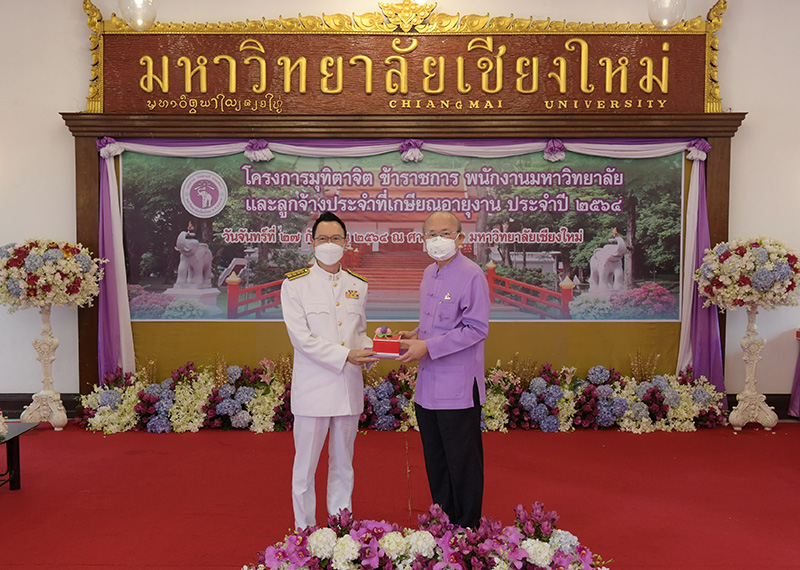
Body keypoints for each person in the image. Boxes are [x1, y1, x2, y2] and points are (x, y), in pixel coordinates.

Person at [280, 211, 377, 529]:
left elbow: (358, 333)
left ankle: (341, 530)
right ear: (312, 242)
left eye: (336, 238)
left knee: (343, 466)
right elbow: (302, 339)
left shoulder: (357, 285)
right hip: (313, 391)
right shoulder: (295, 285)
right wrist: (347, 354)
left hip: (347, 390)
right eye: (323, 238)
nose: (330, 244)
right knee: (305, 469)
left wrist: (377, 346)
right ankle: (304, 533)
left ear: (346, 242)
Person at [396, 211, 490, 528]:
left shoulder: (472, 274)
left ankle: (467, 528)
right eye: (431, 234)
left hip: (457, 388)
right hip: (428, 386)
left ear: (460, 238)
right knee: (436, 458)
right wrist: (416, 335)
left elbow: (477, 328)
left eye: (446, 233)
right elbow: (436, 323)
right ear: (423, 239)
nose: (438, 240)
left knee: (462, 461)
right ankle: (444, 521)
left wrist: (429, 346)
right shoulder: (428, 273)